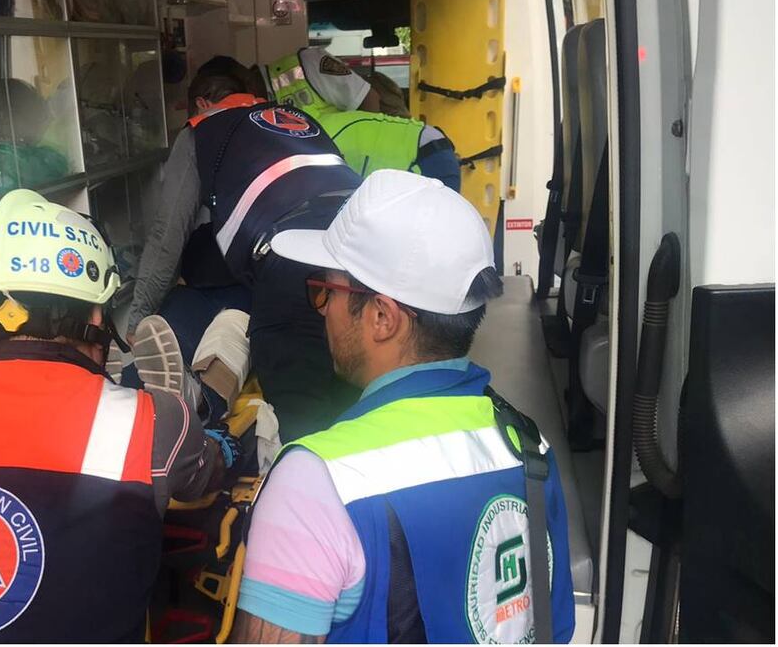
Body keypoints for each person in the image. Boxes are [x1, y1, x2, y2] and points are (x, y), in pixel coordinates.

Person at [232, 171, 575, 643]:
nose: (323, 308)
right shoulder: (528, 445)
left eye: (326, 290)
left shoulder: (317, 482)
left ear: (381, 317)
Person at [0, 189, 238, 642]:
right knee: (204, 437)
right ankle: (199, 395)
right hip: (170, 433)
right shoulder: (150, 424)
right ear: (96, 312)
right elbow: (207, 480)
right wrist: (219, 446)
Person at [128, 70, 362, 445]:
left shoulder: (200, 131)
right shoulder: (300, 121)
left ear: (203, 104)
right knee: (355, 398)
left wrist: (137, 320)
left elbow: (166, 234)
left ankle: (202, 405)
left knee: (301, 419)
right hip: (362, 254)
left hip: (291, 260)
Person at [268, 47, 461, 190]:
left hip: (423, 156)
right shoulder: (310, 133)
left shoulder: (307, 64)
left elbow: (368, 99)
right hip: (415, 152)